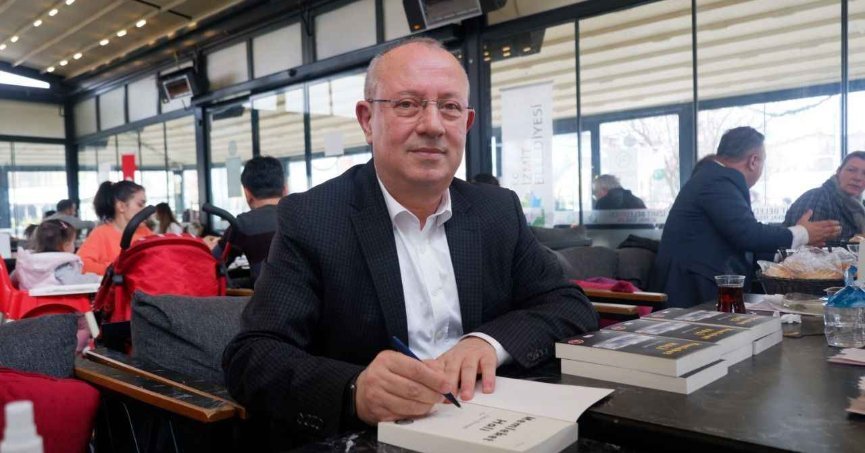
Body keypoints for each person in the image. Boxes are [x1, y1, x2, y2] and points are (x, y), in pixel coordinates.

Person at [222, 38, 597, 444]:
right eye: (407, 104)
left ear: (466, 123)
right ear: (367, 120)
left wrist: (488, 342)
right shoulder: (314, 218)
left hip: (499, 425)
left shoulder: (496, 210)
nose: (433, 125)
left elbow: (568, 305)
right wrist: (354, 390)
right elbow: (253, 355)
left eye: (449, 107)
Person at [650, 126, 841, 308]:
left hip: (697, 288)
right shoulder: (718, 179)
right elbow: (747, 233)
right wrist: (802, 233)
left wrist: (792, 249)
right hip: (691, 292)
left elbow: (739, 242)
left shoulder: (712, 177)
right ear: (753, 161)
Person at [203, 156, 286, 283]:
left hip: (267, 293)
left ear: (247, 193)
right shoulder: (303, 216)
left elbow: (214, 262)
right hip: (310, 293)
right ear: (284, 189)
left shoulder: (244, 224)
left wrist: (205, 247)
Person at [783, 151, 865, 243]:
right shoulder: (818, 197)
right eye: (851, 170)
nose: (858, 178)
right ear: (838, 171)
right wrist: (855, 242)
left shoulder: (858, 206)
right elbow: (809, 246)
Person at [77, 181, 152, 275]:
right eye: (140, 205)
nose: (145, 210)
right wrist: (115, 271)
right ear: (121, 206)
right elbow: (81, 264)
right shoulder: (100, 234)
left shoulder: (146, 232)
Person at [11, 219, 100, 290]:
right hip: (57, 303)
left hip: (27, 302)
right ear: (66, 246)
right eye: (73, 241)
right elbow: (74, 281)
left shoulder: (27, 262)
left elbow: (12, 278)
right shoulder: (60, 264)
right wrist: (95, 278)